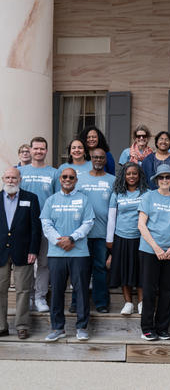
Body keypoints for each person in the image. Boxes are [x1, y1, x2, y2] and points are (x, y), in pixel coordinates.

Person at [40, 168, 95, 342]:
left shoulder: (84, 200)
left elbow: (88, 223)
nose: (67, 179)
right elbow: (46, 224)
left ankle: (82, 327)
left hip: (79, 252)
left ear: (76, 180)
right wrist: (59, 241)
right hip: (56, 253)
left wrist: (72, 238)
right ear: (60, 179)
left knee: (81, 291)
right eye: (64, 176)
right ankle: (58, 328)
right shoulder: (51, 200)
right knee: (56, 291)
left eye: (71, 177)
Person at [137, 165, 170, 341]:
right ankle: (147, 329)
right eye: (161, 177)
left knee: (167, 291)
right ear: (156, 180)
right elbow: (141, 225)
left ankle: (163, 328)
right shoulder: (148, 197)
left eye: (168, 177)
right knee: (149, 290)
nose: (165, 180)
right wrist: (156, 248)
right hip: (150, 251)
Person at [73, 148, 115, 314]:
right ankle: (76, 302)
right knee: (80, 269)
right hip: (82, 234)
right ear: (90, 158)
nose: (98, 160)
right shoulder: (80, 180)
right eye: (95, 157)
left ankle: (101, 303)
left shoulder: (112, 180)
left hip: (102, 233)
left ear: (105, 160)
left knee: (99, 268)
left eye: (101, 158)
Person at [0, 167, 41, 339]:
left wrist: (33, 250)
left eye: (14, 178)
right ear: (3, 179)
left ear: (20, 179)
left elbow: (36, 228)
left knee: (23, 290)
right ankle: (1, 326)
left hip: (24, 252)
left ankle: (22, 326)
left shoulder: (30, 198)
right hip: (0, 251)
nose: (11, 180)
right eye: (8, 177)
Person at [20, 136, 57, 313]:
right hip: (23, 224)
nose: (39, 151)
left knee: (44, 263)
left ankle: (40, 297)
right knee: (24, 263)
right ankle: (27, 297)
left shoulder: (54, 173)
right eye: (36, 148)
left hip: (45, 224)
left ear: (46, 151)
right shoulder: (21, 171)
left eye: (42, 149)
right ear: (31, 150)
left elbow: (57, 198)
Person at [107, 162, 148, 315]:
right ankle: (128, 303)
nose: (131, 176)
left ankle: (142, 302)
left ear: (139, 176)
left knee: (140, 271)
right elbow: (112, 218)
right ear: (124, 175)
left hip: (141, 238)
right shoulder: (117, 193)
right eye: (128, 173)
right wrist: (109, 239)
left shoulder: (146, 193)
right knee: (125, 271)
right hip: (121, 237)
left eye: (134, 173)